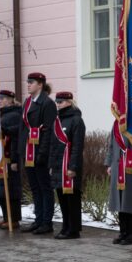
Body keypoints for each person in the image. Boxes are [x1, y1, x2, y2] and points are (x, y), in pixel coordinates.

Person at [16, 72, 57, 234]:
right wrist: (21, 150)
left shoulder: (47, 104)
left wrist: (43, 154)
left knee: (44, 188)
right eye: (27, 82)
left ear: (40, 84)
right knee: (34, 187)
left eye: (31, 82)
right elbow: (22, 128)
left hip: (40, 152)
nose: (28, 84)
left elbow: (48, 131)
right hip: (28, 151)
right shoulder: (27, 102)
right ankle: (38, 219)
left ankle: (47, 223)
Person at [49, 92, 86, 239]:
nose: (58, 104)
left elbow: (77, 146)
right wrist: (51, 165)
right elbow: (53, 144)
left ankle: (73, 229)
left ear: (69, 102)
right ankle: (65, 226)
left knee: (72, 199)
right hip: (58, 165)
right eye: (57, 101)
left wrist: (72, 167)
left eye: (61, 101)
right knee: (62, 198)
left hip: (70, 165)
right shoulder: (57, 120)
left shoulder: (76, 120)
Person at [0, 90, 22, 229]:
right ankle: (6, 217)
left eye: (3, 98)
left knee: (11, 190)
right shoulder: (3, 114)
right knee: (2, 189)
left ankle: (13, 219)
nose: (0, 100)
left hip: (8, 158)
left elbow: (15, 138)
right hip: (0, 157)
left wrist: (14, 160)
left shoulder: (14, 115)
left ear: (11, 100)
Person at [105, 121, 132, 245]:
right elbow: (111, 145)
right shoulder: (116, 123)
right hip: (118, 164)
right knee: (120, 199)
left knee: (131, 199)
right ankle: (124, 231)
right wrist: (109, 162)